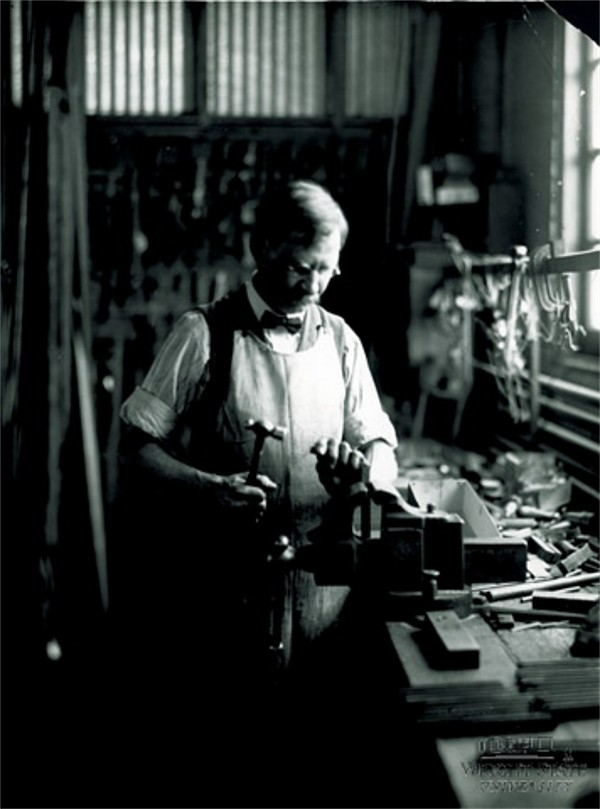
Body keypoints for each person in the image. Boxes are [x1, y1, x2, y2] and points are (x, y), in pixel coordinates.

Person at [116, 179, 398, 718]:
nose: (314, 284)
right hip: (226, 588)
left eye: (326, 268)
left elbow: (379, 441)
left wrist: (365, 479)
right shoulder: (204, 334)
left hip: (323, 592)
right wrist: (210, 489)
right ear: (262, 247)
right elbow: (136, 449)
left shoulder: (342, 340)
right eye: (299, 266)